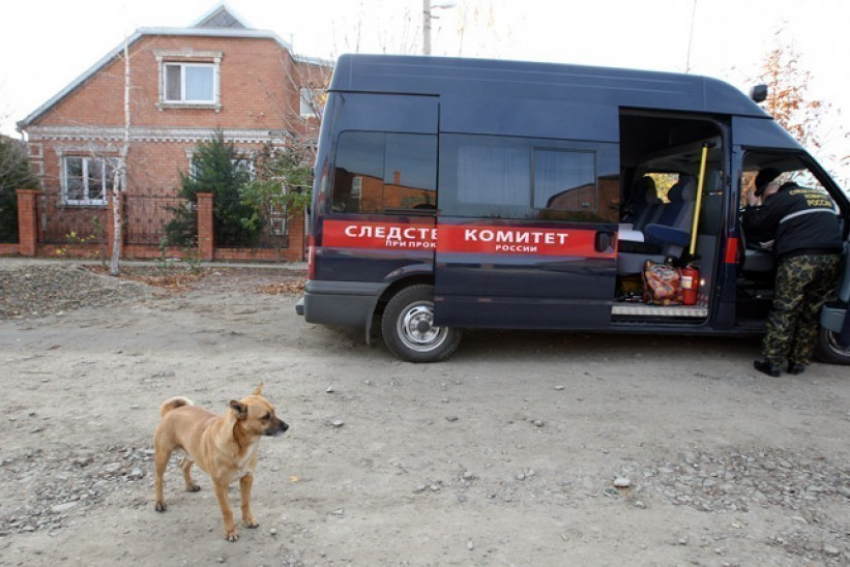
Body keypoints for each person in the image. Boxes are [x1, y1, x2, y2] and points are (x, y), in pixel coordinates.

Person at [742, 168, 843, 377]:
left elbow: (754, 226)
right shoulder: (821, 197)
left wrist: (751, 207)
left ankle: (772, 362)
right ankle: (798, 362)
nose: (766, 199)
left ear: (774, 189)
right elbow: (808, 227)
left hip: (800, 260)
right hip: (832, 259)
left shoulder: (783, 198)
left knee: (785, 309)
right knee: (811, 311)